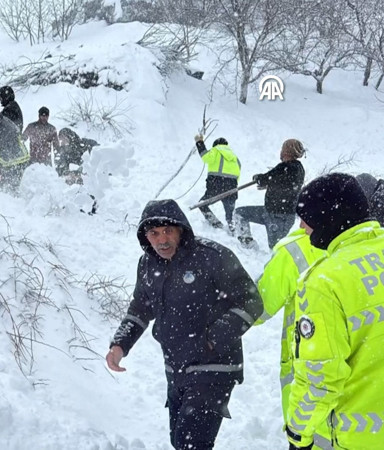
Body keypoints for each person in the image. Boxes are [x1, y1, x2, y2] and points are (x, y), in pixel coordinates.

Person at [106, 199, 262, 450]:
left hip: (215, 366)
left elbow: (251, 302)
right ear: (146, 236)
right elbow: (140, 308)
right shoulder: (147, 264)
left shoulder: (213, 257)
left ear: (181, 229)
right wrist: (120, 345)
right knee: (179, 442)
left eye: (168, 231)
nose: (162, 240)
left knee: (191, 444)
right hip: (175, 367)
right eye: (154, 233)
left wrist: (212, 339)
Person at [285, 173, 384, 450]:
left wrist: (297, 434)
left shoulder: (324, 283)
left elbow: (321, 377)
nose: (303, 227)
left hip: (361, 435)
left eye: (307, 218)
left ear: (329, 219)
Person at [255, 227, 324, 442]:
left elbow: (258, 308)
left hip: (308, 363)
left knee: (313, 436)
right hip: (370, 371)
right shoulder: (375, 247)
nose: (301, 225)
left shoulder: (295, 251)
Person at [234, 139, 305, 249]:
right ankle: (248, 244)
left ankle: (249, 246)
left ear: (286, 151)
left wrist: (257, 178)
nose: (280, 152)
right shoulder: (299, 168)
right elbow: (285, 184)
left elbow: (264, 179)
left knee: (276, 250)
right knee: (240, 213)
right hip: (281, 214)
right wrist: (271, 185)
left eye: (282, 149)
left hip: (276, 215)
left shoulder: (284, 167)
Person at [194, 136, 241, 231]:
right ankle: (232, 229)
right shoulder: (235, 157)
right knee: (230, 214)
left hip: (216, 185)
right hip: (232, 187)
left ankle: (216, 224)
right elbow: (238, 175)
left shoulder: (216, 150)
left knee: (202, 204)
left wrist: (199, 142)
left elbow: (205, 157)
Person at [0, 106, 30, 193]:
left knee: (11, 183)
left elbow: (6, 148)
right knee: (5, 181)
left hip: (19, 159)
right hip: (11, 159)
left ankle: (14, 200)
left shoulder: (4, 126)